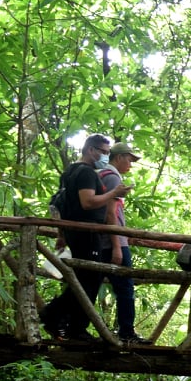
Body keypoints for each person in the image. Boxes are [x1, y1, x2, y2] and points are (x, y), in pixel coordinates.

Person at [43, 134, 130, 340]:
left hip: (75, 232)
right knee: (88, 280)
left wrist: (62, 234)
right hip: (87, 233)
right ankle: (55, 316)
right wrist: (114, 192)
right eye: (104, 152)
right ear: (91, 150)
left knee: (85, 278)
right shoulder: (86, 173)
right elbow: (87, 202)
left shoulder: (70, 172)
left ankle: (74, 326)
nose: (106, 157)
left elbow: (61, 204)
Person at [99, 143, 141, 343]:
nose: (130, 165)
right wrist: (117, 245)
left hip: (106, 241)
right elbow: (111, 212)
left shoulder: (103, 174)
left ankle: (71, 325)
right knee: (125, 288)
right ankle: (127, 332)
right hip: (113, 242)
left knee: (90, 284)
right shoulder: (113, 177)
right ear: (119, 157)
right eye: (129, 160)